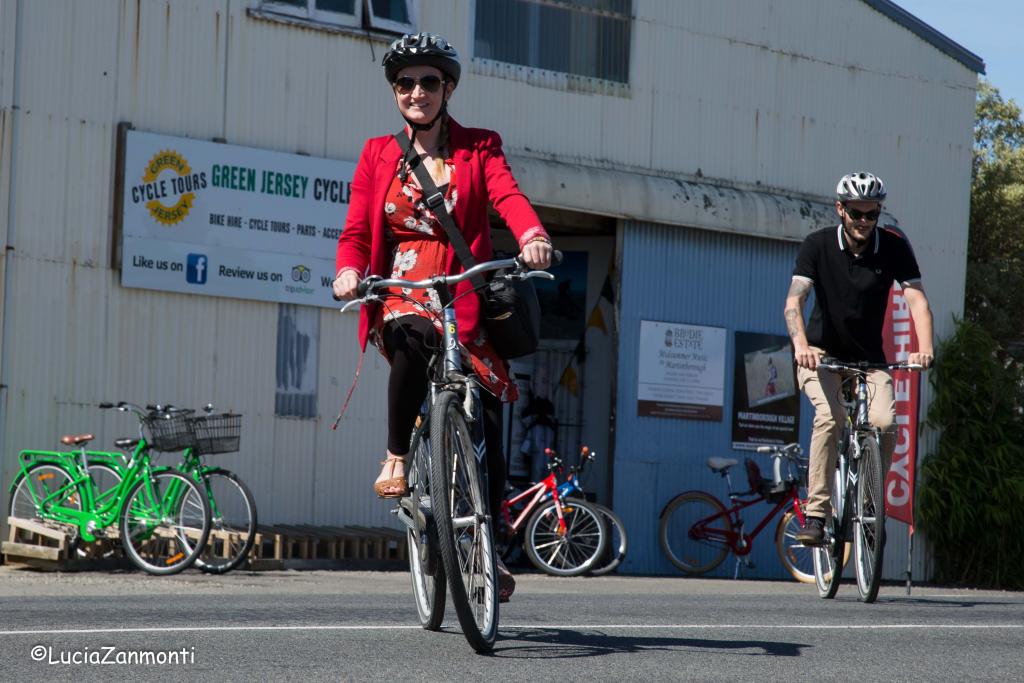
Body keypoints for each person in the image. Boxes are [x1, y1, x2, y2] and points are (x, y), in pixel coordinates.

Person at [333, 33, 553, 599]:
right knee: (408, 338)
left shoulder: (479, 146)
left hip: (461, 286)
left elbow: (507, 195)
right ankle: (398, 457)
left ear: (447, 88)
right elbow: (357, 231)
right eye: (405, 83)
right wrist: (349, 271)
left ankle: (488, 544)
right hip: (403, 282)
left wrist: (530, 234)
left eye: (428, 81)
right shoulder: (377, 154)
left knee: (490, 421)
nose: (416, 92)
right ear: (395, 93)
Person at [784, 172, 933, 546]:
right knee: (831, 418)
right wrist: (801, 345)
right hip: (820, 357)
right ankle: (817, 514)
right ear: (841, 209)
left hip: (869, 360)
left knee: (884, 423)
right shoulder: (816, 245)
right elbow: (794, 301)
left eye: (872, 213)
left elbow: (916, 299)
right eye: (856, 213)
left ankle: (870, 509)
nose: (864, 221)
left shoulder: (894, 248)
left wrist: (925, 346)